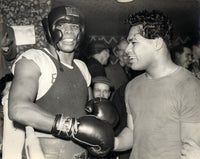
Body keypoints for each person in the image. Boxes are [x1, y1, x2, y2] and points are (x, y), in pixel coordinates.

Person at [8, 6, 114, 159]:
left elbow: (87, 114)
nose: (69, 31)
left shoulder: (82, 67)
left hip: (80, 153)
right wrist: (70, 127)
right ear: (49, 30)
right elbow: (18, 109)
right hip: (45, 153)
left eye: (74, 26)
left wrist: (101, 120)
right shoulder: (34, 60)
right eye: (61, 25)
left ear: (81, 32)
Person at [113, 10, 200, 159]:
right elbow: (132, 131)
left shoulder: (189, 85)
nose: (127, 50)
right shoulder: (132, 86)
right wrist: (111, 143)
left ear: (157, 43)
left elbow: (191, 149)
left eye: (133, 42)